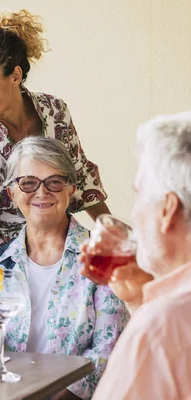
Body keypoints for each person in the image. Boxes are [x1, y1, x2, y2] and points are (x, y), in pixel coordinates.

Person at [0, 10, 109, 272]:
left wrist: (110, 230)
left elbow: (80, 177)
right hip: (1, 269)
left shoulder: (54, 110)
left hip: (56, 254)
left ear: (15, 76)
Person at [0, 137, 127, 400]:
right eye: (28, 183)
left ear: (71, 189)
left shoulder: (104, 257)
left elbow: (109, 349)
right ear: (12, 193)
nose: (42, 192)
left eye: (55, 182)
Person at [80, 113, 191, 399]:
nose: (134, 212)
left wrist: (149, 317)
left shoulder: (159, 327)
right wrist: (138, 300)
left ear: (167, 209)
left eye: (139, 195)